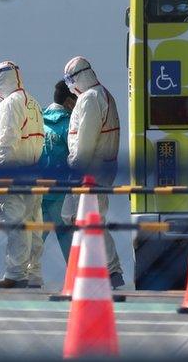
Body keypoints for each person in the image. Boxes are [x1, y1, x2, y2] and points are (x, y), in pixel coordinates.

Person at [61, 56, 124, 288]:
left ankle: (106, 269)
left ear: (78, 77)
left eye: (70, 79)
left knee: (84, 219)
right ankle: (102, 269)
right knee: (84, 219)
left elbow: (84, 142)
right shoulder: (104, 95)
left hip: (87, 173)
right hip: (101, 171)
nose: (68, 85)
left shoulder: (89, 99)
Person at [0, 61, 45, 288]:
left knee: (15, 224)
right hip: (33, 171)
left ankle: (16, 274)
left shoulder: (10, 104)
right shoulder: (33, 102)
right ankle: (33, 273)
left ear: (1, 78)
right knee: (33, 223)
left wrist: (1, 170)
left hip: (12, 173)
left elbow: (7, 139)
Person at [39, 81, 77, 262]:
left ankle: (27, 274)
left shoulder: (39, 120)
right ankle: (77, 277)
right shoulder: (70, 124)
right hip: (61, 192)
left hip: (38, 189)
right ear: (70, 102)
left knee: (35, 237)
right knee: (68, 238)